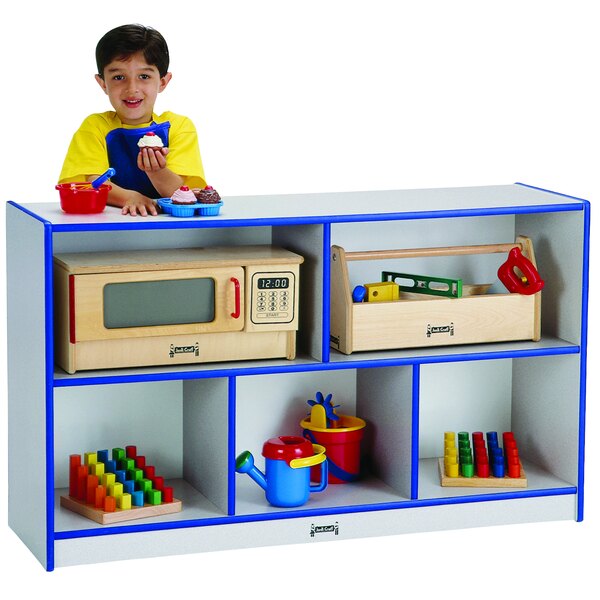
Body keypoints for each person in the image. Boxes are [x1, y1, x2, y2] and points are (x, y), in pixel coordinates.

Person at [58, 24, 206, 216]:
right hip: (112, 227)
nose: (132, 88)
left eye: (144, 76)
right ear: (103, 83)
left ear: (163, 81)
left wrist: (156, 171)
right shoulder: (95, 127)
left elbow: (183, 195)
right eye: (119, 77)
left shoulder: (179, 127)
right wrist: (129, 197)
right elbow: (90, 181)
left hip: (169, 227)